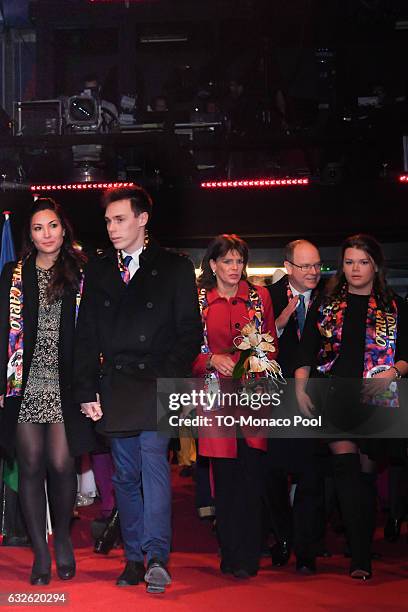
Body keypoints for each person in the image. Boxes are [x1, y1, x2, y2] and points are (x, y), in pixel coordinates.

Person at [74, 185, 202, 593]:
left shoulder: (175, 267)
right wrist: (86, 390)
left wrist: (167, 376)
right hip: (115, 381)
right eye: (108, 220)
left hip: (158, 380)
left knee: (154, 466)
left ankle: (158, 556)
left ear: (143, 219)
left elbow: (189, 333)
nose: (112, 228)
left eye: (120, 219)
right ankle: (133, 557)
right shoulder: (97, 270)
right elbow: (86, 334)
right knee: (125, 476)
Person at [295, 234, 408, 580]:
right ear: (341, 266)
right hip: (334, 397)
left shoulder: (394, 305)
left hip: (377, 400)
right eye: (349, 261)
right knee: (346, 474)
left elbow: (405, 355)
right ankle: (360, 559)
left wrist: (392, 371)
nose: (355, 268)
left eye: (362, 261)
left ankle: (359, 549)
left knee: (365, 477)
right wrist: (300, 388)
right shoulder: (326, 303)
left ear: (375, 265)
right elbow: (307, 351)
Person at [0, 197, 95, 585]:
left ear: (63, 228)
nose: (46, 234)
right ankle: (41, 551)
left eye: (52, 226)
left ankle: (63, 543)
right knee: (31, 467)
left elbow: (90, 334)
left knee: (61, 465)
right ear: (31, 234)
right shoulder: (13, 274)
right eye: (38, 228)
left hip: (65, 384)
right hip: (22, 383)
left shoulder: (81, 272)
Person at [192, 234, 278, 579]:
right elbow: (185, 349)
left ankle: (250, 554)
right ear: (212, 265)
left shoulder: (260, 297)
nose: (234, 268)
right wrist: (211, 358)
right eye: (227, 261)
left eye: (239, 261)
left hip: (253, 396)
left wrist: (251, 365)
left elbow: (271, 346)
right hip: (213, 398)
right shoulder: (197, 299)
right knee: (224, 480)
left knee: (251, 476)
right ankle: (230, 554)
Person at [265, 240, 326, 574]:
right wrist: (280, 324)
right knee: (273, 472)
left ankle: (306, 548)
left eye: (317, 265)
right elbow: (250, 346)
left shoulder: (331, 299)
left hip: (317, 397)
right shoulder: (266, 298)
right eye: (305, 266)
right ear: (288, 267)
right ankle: (282, 537)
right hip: (276, 398)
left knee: (312, 474)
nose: (313, 272)